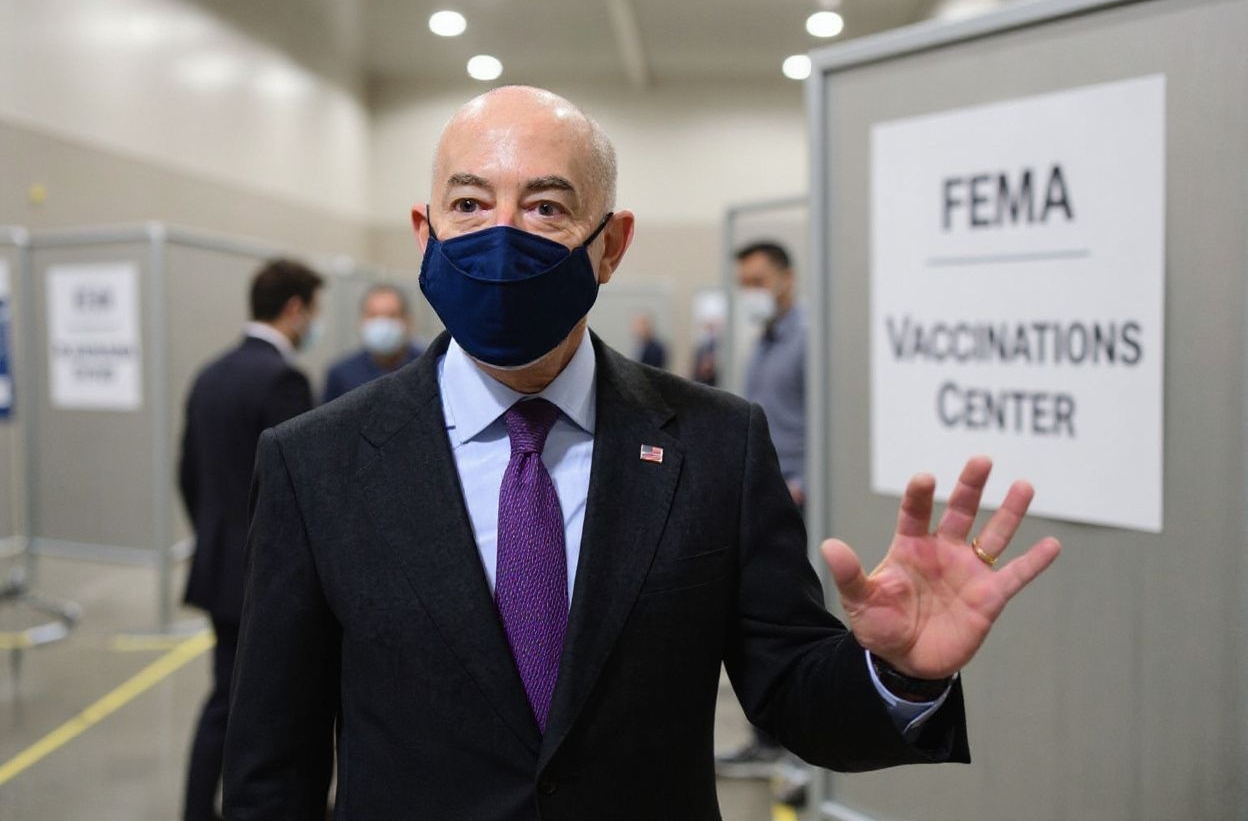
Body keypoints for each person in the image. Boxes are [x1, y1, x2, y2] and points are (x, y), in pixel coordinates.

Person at [224, 86, 1061, 820]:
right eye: (471, 205)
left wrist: (900, 674)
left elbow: (791, 696)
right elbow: (273, 766)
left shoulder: (717, 445)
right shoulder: (316, 464)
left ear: (612, 245)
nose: (503, 235)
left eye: (547, 207)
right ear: (426, 231)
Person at [178, 257, 324, 821]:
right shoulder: (283, 380)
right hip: (264, 573)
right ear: (294, 310)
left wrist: (215, 537)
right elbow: (301, 489)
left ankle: (195, 807)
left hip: (217, 566)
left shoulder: (209, 374)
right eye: (311, 311)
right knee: (263, 704)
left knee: (224, 695)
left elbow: (188, 474)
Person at [716, 240, 809, 781]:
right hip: (763, 499)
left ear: (786, 278)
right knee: (753, 621)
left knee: (789, 623)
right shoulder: (765, 342)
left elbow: (827, 421)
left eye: (757, 281)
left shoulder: (807, 340)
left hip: (799, 500)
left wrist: (801, 482)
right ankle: (765, 739)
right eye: (743, 283)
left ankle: (795, 746)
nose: (750, 293)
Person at [323, 284, 424, 402]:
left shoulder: (426, 368)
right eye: (373, 315)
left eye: (391, 315)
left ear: (407, 321)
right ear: (362, 320)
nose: (382, 323)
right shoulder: (341, 374)